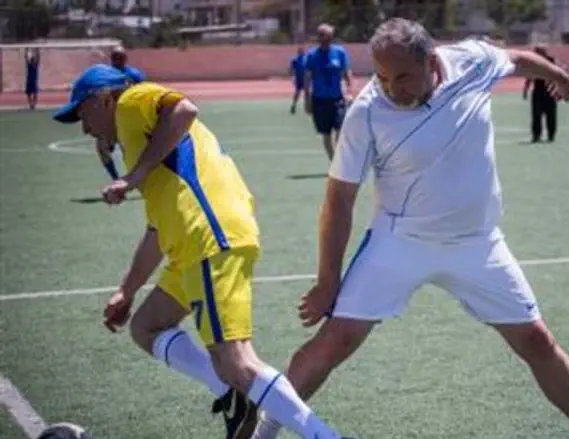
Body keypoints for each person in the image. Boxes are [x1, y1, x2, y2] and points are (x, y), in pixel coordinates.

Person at [254, 18, 569, 439]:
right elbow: (339, 198)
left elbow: (517, 60)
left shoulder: (472, 62)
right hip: (399, 243)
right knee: (335, 340)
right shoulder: (367, 111)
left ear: (432, 61)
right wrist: (327, 281)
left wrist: (557, 75)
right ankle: (262, 432)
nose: (392, 89)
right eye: (381, 76)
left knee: (537, 340)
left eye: (403, 77)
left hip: (477, 244)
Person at [52, 64, 355, 439]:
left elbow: (184, 108)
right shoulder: (141, 140)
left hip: (208, 237)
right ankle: (230, 391)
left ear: (103, 98)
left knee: (237, 360)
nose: (84, 128)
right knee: (147, 327)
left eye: (83, 113)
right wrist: (127, 290)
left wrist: (133, 176)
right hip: (193, 241)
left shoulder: (130, 100)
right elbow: (157, 229)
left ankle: (325, 435)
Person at [304, 23, 353, 161]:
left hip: (337, 99)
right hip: (319, 100)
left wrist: (349, 90)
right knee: (326, 134)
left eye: (329, 35)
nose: (327, 38)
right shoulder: (312, 55)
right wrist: (307, 100)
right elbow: (307, 78)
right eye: (323, 35)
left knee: (341, 129)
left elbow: (346, 72)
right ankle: (334, 162)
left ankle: (340, 159)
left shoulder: (340, 52)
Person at [96, 47, 146, 181]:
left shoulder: (134, 75)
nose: (117, 61)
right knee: (102, 148)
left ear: (125, 59)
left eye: (120, 58)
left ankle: (136, 178)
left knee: (129, 151)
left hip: (127, 117)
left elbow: (144, 94)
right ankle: (116, 179)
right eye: (115, 58)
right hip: (109, 119)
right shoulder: (103, 75)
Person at [523, 45, 560, 143]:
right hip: (538, 91)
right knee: (536, 115)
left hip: (550, 91)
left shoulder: (551, 60)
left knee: (551, 115)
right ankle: (536, 135)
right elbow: (529, 76)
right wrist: (526, 89)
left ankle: (551, 135)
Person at [289, 47, 308, 114]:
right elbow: (291, 68)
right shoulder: (295, 59)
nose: (302, 52)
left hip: (305, 78)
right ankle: (294, 105)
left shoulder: (306, 58)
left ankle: (307, 107)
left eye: (302, 51)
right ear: (298, 52)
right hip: (298, 78)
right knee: (297, 92)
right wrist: (292, 77)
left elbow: (310, 68)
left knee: (307, 93)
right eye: (300, 51)